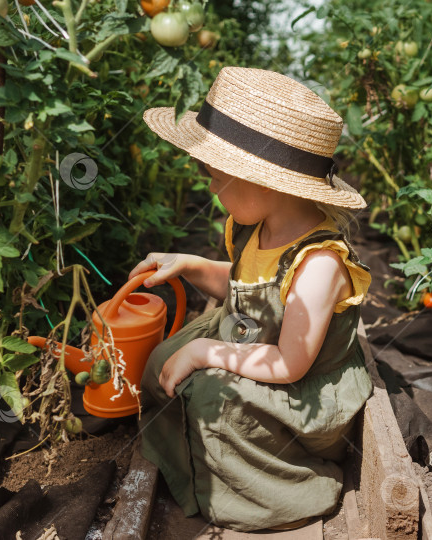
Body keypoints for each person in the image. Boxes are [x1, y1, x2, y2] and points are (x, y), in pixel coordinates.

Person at [128, 66, 373, 532]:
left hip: (303, 399)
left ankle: (278, 494)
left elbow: (289, 363)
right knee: (164, 356)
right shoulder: (252, 226)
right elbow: (246, 286)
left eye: (215, 177)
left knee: (211, 397)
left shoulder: (319, 264)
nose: (210, 188)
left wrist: (205, 351)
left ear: (258, 179)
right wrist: (192, 265)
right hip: (250, 344)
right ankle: (192, 465)